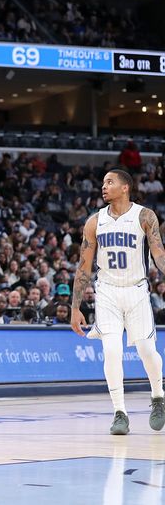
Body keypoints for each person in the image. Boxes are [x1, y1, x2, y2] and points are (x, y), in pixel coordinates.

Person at [71, 169, 165, 435]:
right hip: (107, 293)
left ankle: (158, 396)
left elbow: (158, 253)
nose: (104, 187)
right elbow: (83, 267)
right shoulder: (94, 222)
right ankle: (119, 413)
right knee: (111, 351)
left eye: (110, 182)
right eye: (103, 183)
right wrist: (75, 307)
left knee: (147, 350)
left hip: (136, 291)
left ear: (125, 188)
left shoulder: (144, 216)